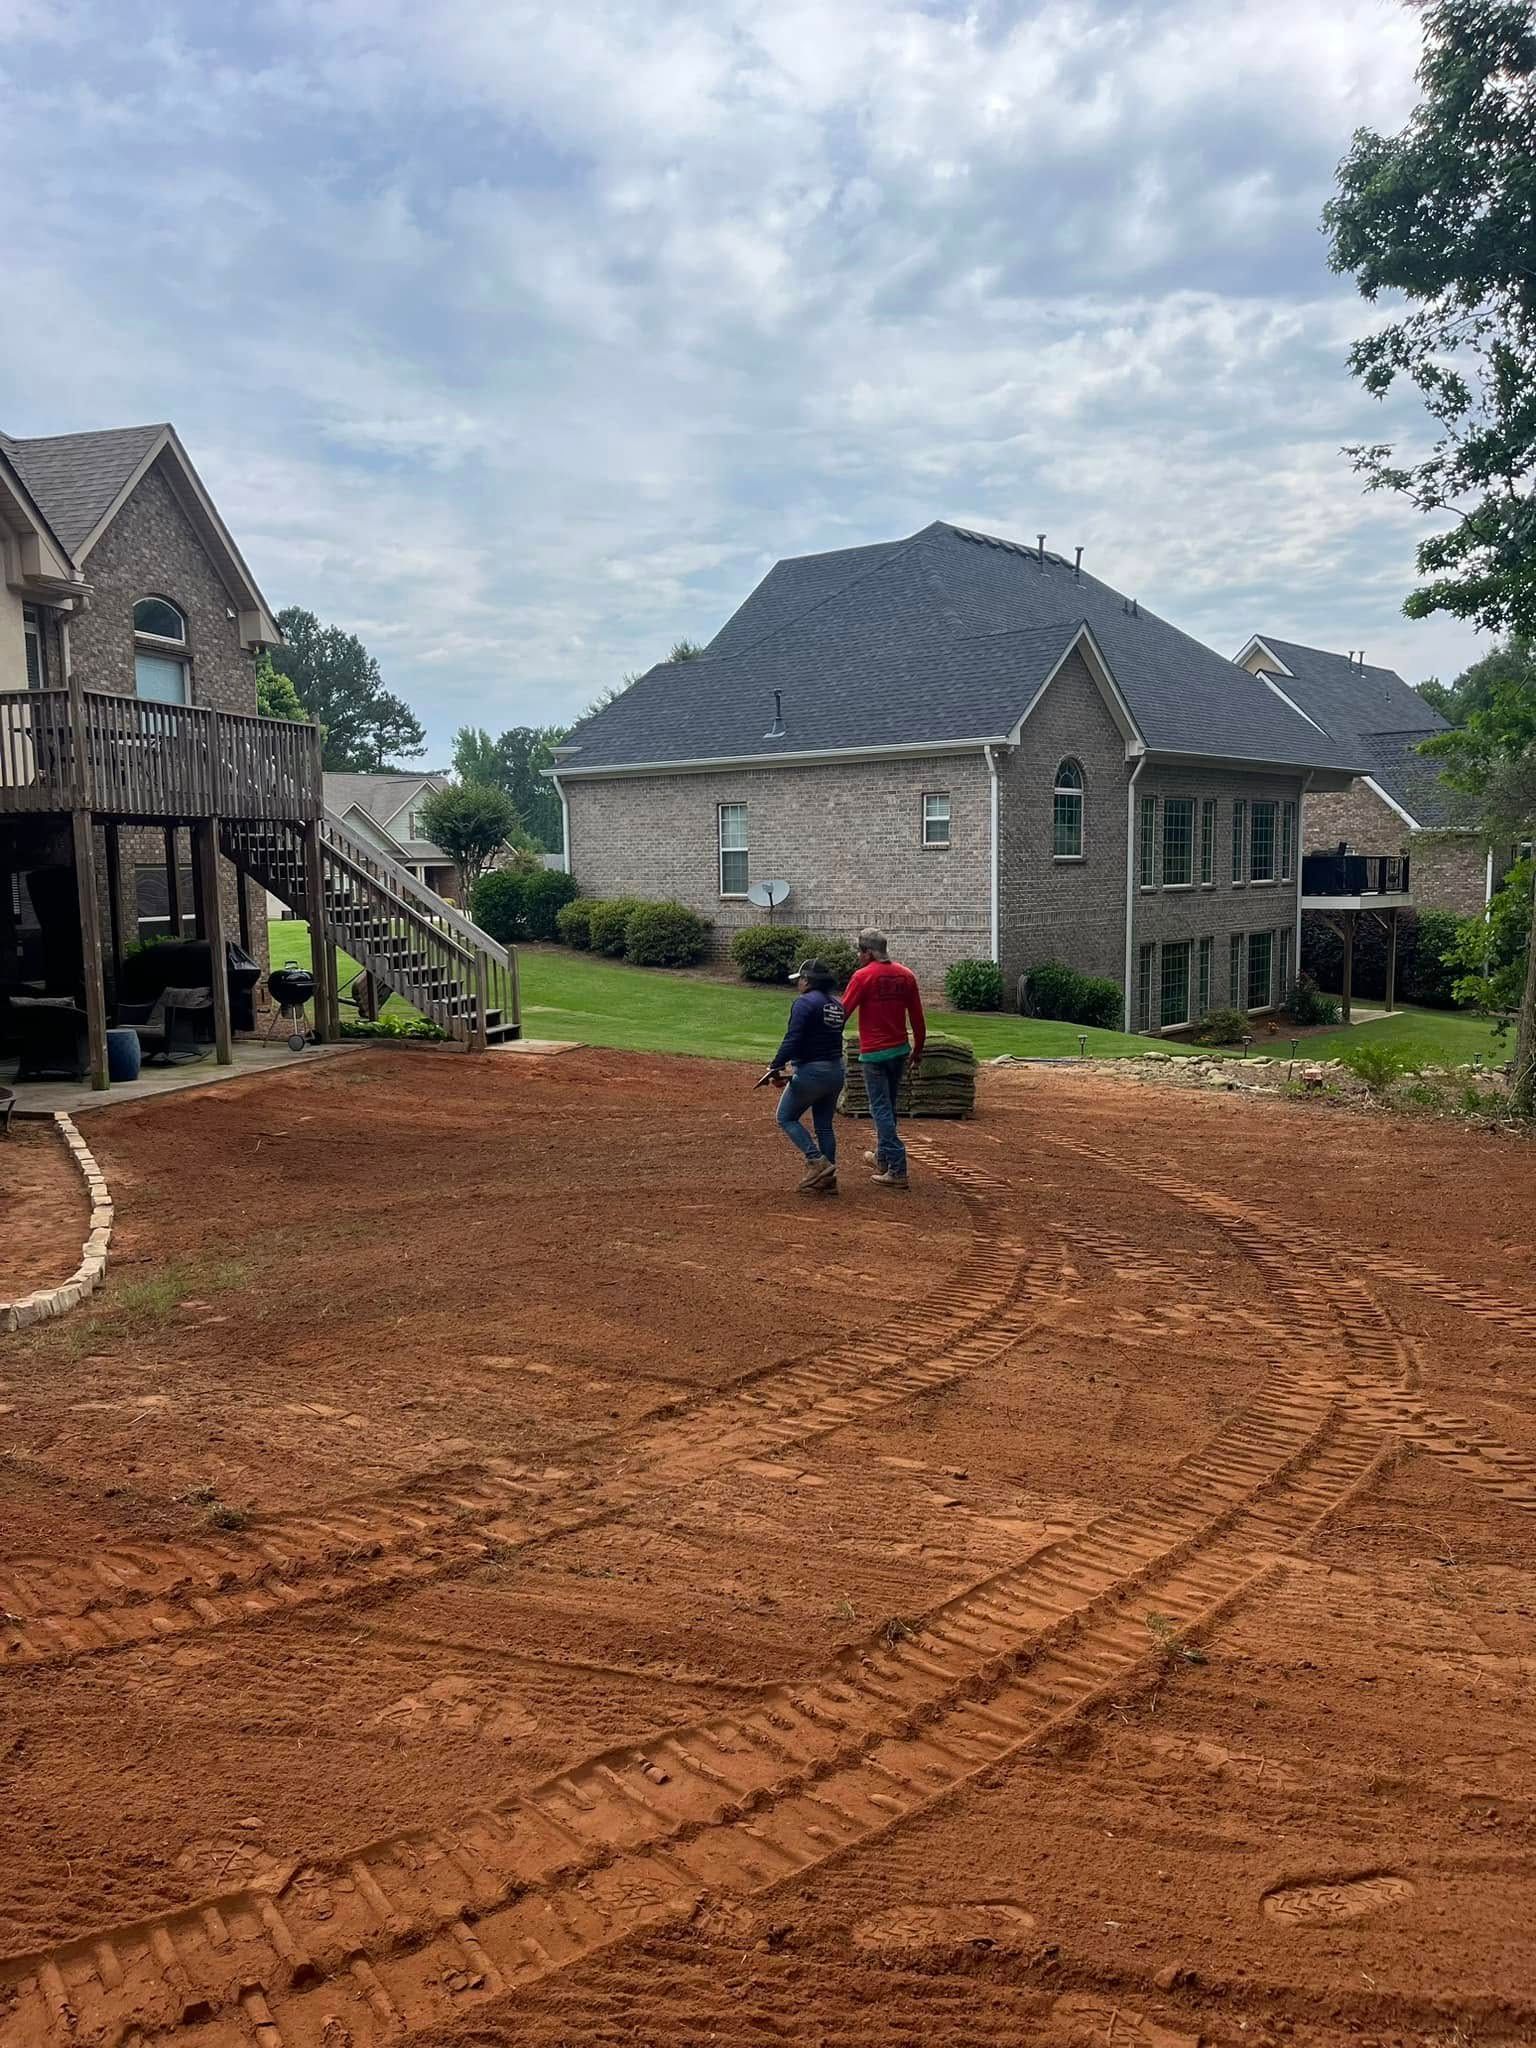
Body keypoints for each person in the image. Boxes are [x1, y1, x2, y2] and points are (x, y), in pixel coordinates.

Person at [841, 929, 925, 1190]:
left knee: (880, 1109)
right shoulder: (906, 975)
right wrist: (918, 1049)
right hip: (899, 1051)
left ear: (868, 952)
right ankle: (883, 1158)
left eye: (860, 952)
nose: (858, 956)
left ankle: (897, 1168)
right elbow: (918, 1018)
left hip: (874, 1054)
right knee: (888, 1106)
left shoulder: (862, 976)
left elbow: (842, 1012)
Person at [766, 958, 847, 1194]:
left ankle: (816, 1162)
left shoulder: (804, 1003)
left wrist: (776, 1065)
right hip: (835, 1071)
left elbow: (793, 1038)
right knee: (824, 1126)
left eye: (799, 980)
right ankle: (829, 1181)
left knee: (785, 1117)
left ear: (807, 980)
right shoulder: (836, 1005)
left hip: (812, 1071)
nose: (797, 985)